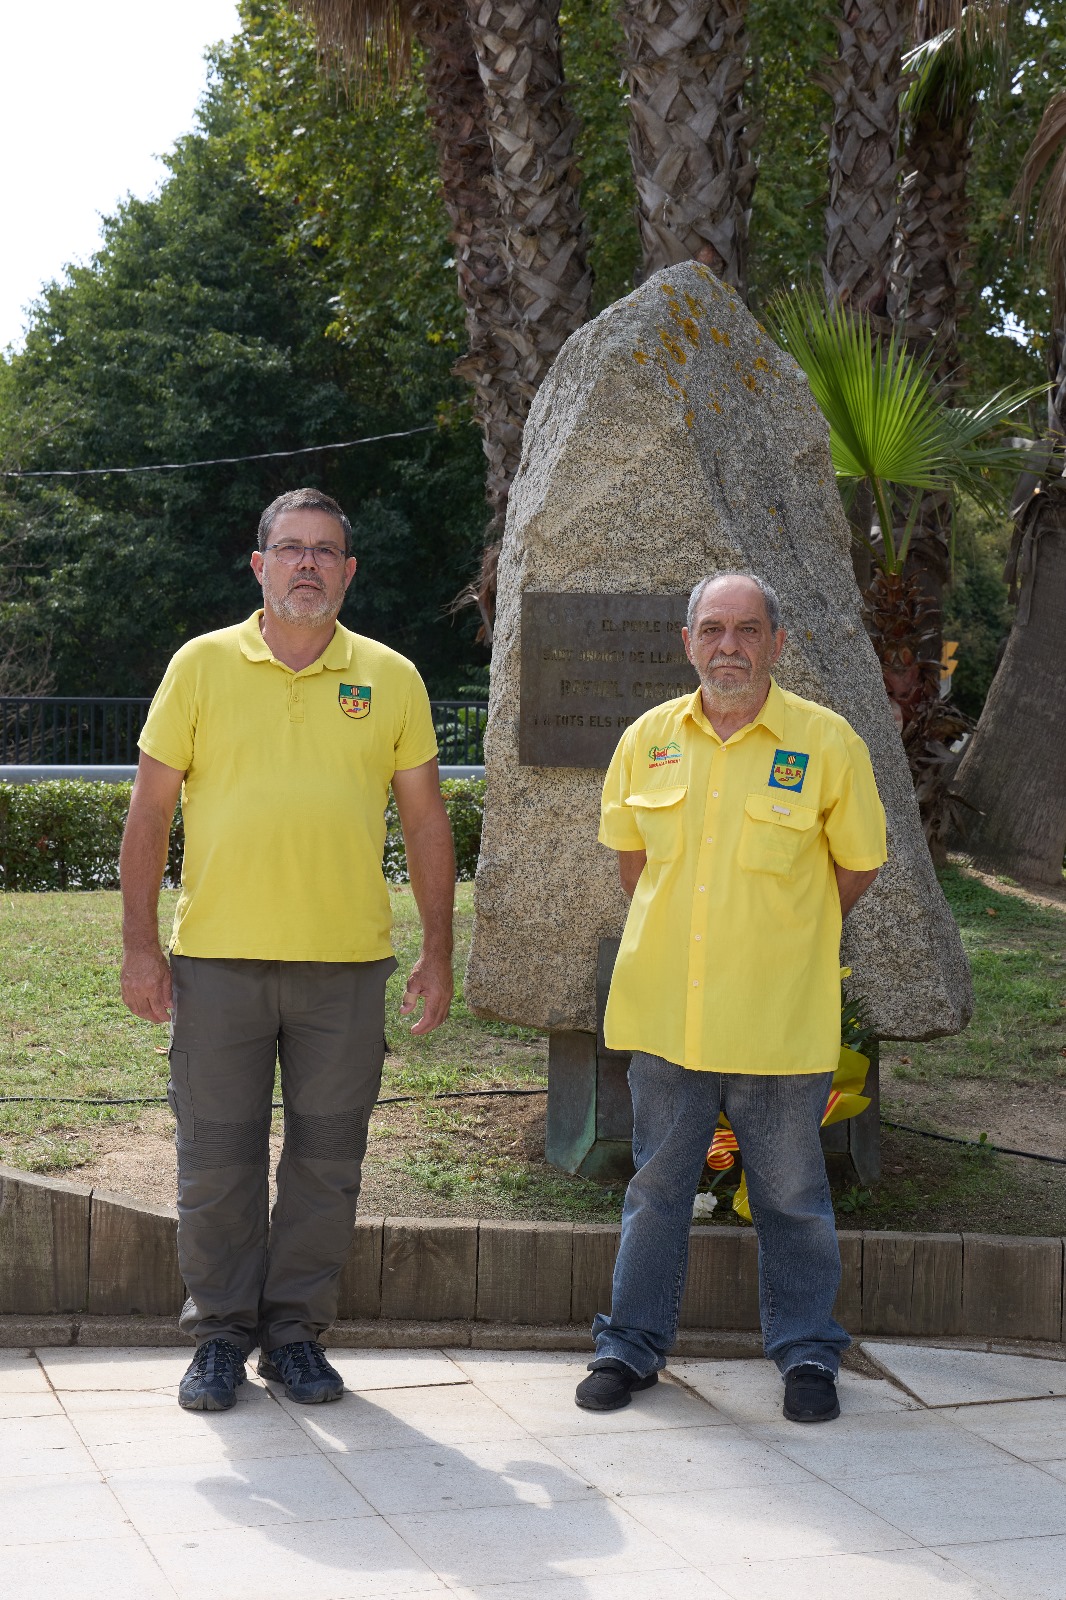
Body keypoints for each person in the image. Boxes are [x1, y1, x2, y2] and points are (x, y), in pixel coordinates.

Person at [120, 487, 455, 1412]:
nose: (307, 563)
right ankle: (222, 1335)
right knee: (217, 1155)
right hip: (218, 962)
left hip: (345, 968)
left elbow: (427, 824)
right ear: (258, 563)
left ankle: (296, 1333)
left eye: (326, 551)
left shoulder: (392, 677)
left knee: (326, 1156)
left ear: (348, 572)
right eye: (290, 547)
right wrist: (141, 948)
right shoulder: (199, 666)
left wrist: (439, 949)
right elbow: (148, 812)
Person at [576, 572, 887, 1424]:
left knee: (791, 1196)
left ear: (777, 644)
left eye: (748, 629)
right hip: (667, 1018)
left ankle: (806, 1355)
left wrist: (785, 936)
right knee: (655, 1189)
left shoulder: (828, 745)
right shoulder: (646, 739)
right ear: (688, 642)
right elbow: (633, 865)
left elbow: (855, 865)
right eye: (712, 628)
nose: (729, 646)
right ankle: (629, 1347)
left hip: (778, 1020)